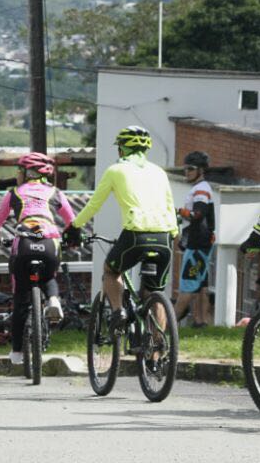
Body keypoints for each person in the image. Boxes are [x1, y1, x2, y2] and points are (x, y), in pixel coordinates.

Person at [65, 126, 178, 330]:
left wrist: (74, 226)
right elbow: (170, 205)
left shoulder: (116, 170)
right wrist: (174, 234)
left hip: (136, 235)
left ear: (121, 149)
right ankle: (157, 352)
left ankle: (119, 312)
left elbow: (94, 204)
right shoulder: (159, 172)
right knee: (155, 294)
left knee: (110, 271)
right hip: (165, 237)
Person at [0, 152, 75, 365]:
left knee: (20, 299)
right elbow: (72, 221)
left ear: (28, 172)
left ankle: (16, 352)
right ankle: (53, 299)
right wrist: (73, 239)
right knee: (49, 276)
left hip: (24, 243)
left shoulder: (14, 193)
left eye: (20, 170)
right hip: (50, 242)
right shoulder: (56, 193)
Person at [174, 151, 215, 328]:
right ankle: (201, 322)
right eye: (185, 169)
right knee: (201, 286)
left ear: (201, 170)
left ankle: (167, 325)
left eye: (190, 169)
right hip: (201, 242)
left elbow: (198, 214)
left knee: (187, 286)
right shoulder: (200, 187)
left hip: (198, 244)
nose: (187, 172)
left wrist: (178, 211)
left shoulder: (201, 189)